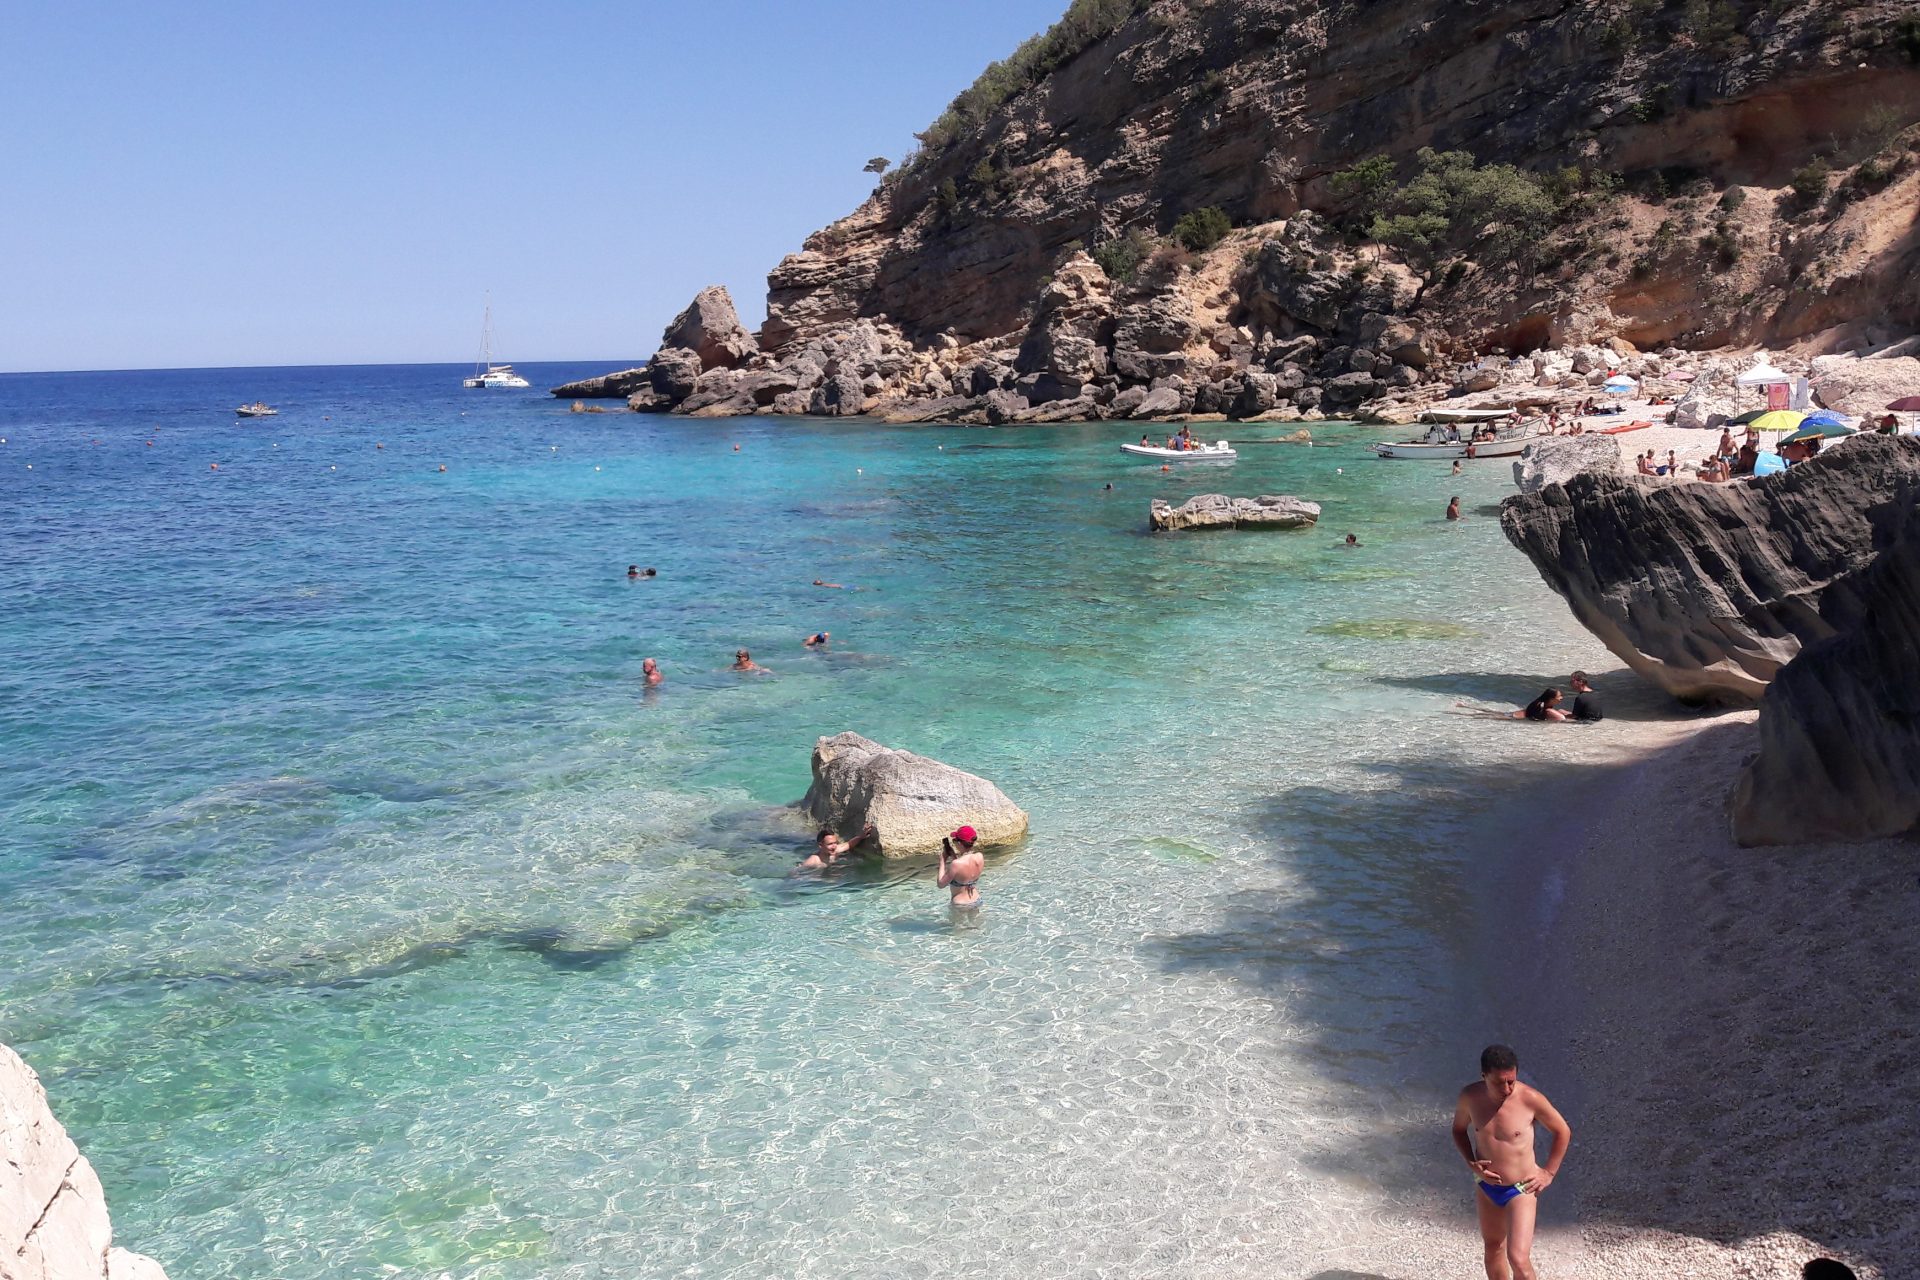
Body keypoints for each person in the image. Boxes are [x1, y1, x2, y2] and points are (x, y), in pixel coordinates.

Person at [1452, 1044, 1571, 1280]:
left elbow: (1562, 1131)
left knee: (1518, 1258)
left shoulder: (1530, 1099)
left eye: (1511, 1081)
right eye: (1499, 1082)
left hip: (1521, 1188)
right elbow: (1458, 1130)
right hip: (1486, 1186)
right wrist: (1471, 1162)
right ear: (1484, 1076)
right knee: (1494, 1247)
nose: (1507, 1089)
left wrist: (1548, 1172)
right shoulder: (1469, 1097)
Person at [937, 825, 984, 911]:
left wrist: (942, 860)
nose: (954, 843)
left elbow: (941, 884)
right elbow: (964, 872)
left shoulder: (956, 864)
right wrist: (953, 856)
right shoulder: (980, 857)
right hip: (976, 900)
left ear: (959, 843)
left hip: (961, 905)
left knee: (956, 925)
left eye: (954, 840)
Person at [797, 821, 876, 870]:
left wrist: (861, 836)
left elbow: (849, 844)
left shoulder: (835, 850)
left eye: (835, 842)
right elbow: (797, 870)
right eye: (830, 844)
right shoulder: (814, 860)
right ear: (821, 845)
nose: (834, 846)